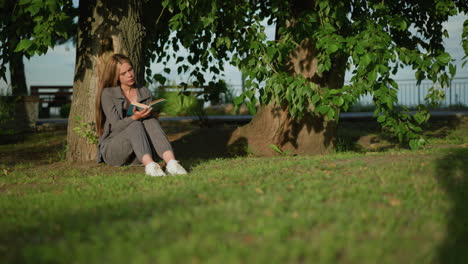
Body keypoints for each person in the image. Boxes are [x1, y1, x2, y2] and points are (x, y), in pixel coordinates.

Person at [95, 54, 187, 177]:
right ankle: (150, 167)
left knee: (150, 121)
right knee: (135, 124)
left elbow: (149, 126)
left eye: (130, 70)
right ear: (115, 76)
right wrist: (134, 118)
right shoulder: (108, 94)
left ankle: (172, 164)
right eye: (123, 73)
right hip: (114, 149)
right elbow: (115, 127)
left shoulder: (143, 91)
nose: (130, 75)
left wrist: (153, 114)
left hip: (139, 150)